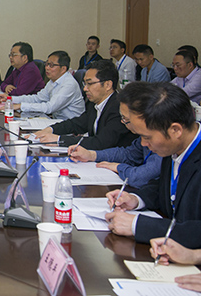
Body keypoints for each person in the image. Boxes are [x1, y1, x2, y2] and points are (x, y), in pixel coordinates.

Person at [105, 82, 201, 248]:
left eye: (147, 137)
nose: (143, 144)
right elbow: (168, 188)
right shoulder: (173, 147)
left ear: (175, 130)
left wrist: (138, 225)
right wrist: (136, 199)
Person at [35, 60, 137, 149]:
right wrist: (50, 129)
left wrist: (59, 139)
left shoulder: (119, 108)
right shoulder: (95, 103)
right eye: (84, 83)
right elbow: (77, 124)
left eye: (90, 83)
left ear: (108, 85)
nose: (85, 89)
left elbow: (101, 142)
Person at [0, 51, 85, 120]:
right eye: (46, 64)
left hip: (72, 127)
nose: (47, 68)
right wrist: (11, 99)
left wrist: (20, 106)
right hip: (57, 121)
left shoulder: (69, 84)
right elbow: (38, 98)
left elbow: (49, 107)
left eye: (51, 65)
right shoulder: (52, 81)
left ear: (63, 69)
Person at [68, 136, 162, 189]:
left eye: (126, 120)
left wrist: (118, 167)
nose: (143, 143)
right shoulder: (146, 136)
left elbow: (139, 177)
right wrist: (92, 155)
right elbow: (128, 154)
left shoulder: (163, 147)